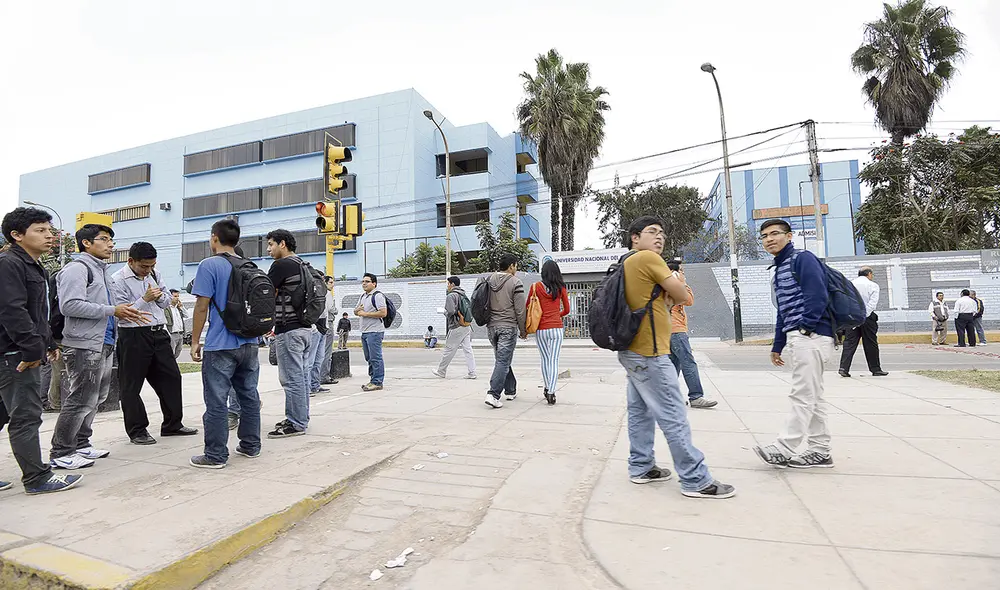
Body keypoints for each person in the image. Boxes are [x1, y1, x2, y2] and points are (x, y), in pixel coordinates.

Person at [616, 217, 734, 498]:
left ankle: (641, 466)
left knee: (640, 411)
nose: (659, 238)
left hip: (631, 350)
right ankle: (695, 479)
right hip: (651, 351)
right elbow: (683, 295)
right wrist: (672, 290)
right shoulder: (648, 258)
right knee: (672, 413)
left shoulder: (626, 262)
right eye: (652, 232)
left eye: (662, 233)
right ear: (635, 237)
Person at [0, 207, 82, 494]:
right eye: (41, 230)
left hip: (19, 351)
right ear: (16, 235)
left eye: (50, 230)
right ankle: (37, 478)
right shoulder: (9, 263)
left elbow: (39, 313)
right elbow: (12, 311)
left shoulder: (34, 265)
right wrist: (31, 351)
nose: (50, 235)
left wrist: (48, 343)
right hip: (14, 355)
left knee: (3, 415)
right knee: (26, 417)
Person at [52, 223, 148, 467]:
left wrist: (124, 312)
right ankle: (61, 452)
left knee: (96, 397)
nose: (110, 244)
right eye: (104, 239)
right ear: (86, 243)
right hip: (84, 343)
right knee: (81, 397)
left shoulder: (103, 271)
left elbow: (113, 305)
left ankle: (82, 444)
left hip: (104, 341)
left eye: (110, 240)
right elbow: (70, 305)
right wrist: (111, 310)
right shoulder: (77, 269)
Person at [753, 218, 836, 470]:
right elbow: (783, 312)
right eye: (765, 235)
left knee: (802, 394)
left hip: (811, 336)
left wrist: (806, 328)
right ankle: (820, 451)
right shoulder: (779, 269)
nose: (769, 239)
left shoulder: (803, 259)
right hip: (799, 335)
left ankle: (784, 447)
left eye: (775, 233)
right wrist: (777, 345)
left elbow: (817, 295)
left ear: (789, 236)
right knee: (813, 396)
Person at [189, 219, 262, 468]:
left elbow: (201, 306)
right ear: (237, 241)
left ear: (214, 238)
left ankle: (216, 455)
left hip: (221, 343)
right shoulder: (250, 265)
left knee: (217, 400)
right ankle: (251, 445)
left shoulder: (209, 265)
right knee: (249, 395)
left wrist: (195, 341)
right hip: (250, 341)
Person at [110, 242, 198, 445]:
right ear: (131, 261)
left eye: (151, 266)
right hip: (133, 336)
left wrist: (160, 297)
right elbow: (122, 313)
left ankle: (173, 424)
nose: (147, 270)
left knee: (172, 378)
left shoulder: (155, 275)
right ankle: (137, 430)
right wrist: (144, 298)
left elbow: (167, 301)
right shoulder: (117, 281)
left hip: (159, 333)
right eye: (143, 266)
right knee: (131, 386)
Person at [266, 229, 314, 437]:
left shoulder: (281, 265)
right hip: (305, 328)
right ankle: (300, 417)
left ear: (282, 244)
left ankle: (296, 423)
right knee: (301, 377)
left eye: (271, 244)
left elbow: (265, 292)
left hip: (289, 329)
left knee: (291, 378)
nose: (268, 249)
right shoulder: (304, 264)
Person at [665, 258, 718, 409]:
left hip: (669, 331)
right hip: (676, 331)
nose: (683, 273)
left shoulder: (665, 284)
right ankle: (696, 397)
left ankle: (671, 398)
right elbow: (689, 300)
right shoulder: (673, 284)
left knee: (673, 365)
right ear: (674, 271)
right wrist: (683, 282)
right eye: (681, 270)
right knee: (688, 363)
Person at [484, 254, 527, 409]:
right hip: (508, 326)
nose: (516, 269)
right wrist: (523, 329)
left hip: (491, 327)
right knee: (503, 360)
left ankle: (510, 389)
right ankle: (493, 394)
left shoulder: (489, 280)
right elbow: (520, 310)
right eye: (516, 266)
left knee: (502, 359)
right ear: (511, 266)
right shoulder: (516, 282)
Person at [530, 260, 569, 405]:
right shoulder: (561, 288)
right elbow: (567, 310)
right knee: (553, 361)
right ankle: (551, 392)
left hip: (541, 329)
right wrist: (556, 315)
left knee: (545, 360)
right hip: (556, 328)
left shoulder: (535, 287)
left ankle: (547, 388)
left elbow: (529, 306)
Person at [838, 267, 888, 378]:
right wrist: (863, 316)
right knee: (870, 343)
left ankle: (843, 368)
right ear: (869, 274)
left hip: (852, 317)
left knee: (849, 343)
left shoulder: (849, 284)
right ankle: (875, 369)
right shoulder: (873, 285)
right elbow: (872, 304)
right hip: (867, 317)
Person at [432, 276, 477, 380]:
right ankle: (472, 372)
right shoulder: (463, 293)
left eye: (448, 284)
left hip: (457, 326)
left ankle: (441, 371)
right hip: (466, 325)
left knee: (449, 349)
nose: (447, 286)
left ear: (452, 284)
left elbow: (451, 311)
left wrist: (444, 312)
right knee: (468, 349)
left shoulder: (451, 296)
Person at [355, 273, 387, 392]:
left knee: (375, 357)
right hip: (365, 331)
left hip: (375, 331)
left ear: (374, 283)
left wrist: (365, 314)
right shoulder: (363, 296)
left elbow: (383, 313)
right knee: (369, 357)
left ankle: (377, 381)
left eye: (367, 281)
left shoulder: (378, 296)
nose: (364, 283)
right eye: (363, 281)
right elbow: (356, 311)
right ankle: (373, 379)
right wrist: (357, 310)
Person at [306, 276, 332, 397]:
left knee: (319, 359)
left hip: (323, 327)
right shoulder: (312, 292)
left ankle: (315, 385)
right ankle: (308, 387)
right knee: (310, 360)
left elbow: (327, 310)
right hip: (315, 327)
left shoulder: (326, 294)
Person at [319, 276, 339, 385]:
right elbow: (331, 309)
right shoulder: (327, 294)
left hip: (319, 325)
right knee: (327, 352)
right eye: (330, 282)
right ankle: (324, 376)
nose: (332, 284)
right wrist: (336, 310)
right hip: (328, 323)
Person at [165, 289, 187, 359]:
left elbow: (186, 315)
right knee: (170, 353)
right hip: (172, 334)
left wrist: (181, 307)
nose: (177, 298)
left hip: (180, 334)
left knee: (178, 352)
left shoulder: (178, 308)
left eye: (178, 296)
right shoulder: (166, 308)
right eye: (175, 296)